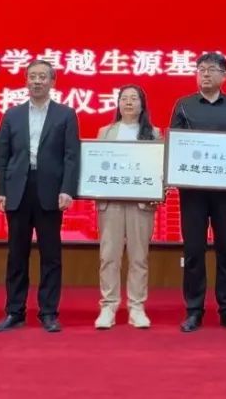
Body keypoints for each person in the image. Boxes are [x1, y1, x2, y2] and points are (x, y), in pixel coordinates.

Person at [0, 60, 80, 333]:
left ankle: (49, 312)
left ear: (53, 82)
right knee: (16, 255)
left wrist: (67, 189)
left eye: (43, 76)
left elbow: (71, 156)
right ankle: (14, 311)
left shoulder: (66, 114)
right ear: (26, 81)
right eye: (33, 76)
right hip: (18, 189)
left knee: (50, 255)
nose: (37, 81)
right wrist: (0, 190)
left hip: (50, 190)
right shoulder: (12, 114)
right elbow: (2, 156)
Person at [169, 51, 226, 333]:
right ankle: (194, 310)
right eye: (201, 69)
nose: (205, 73)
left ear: (224, 75)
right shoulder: (184, 105)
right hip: (193, 191)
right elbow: (176, 145)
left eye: (212, 69)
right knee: (193, 250)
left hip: (225, 191)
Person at [94, 85, 161, 329]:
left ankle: (136, 307)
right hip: (111, 203)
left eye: (134, 98)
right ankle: (108, 306)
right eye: (124, 98)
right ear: (118, 103)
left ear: (142, 105)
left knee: (138, 257)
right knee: (109, 256)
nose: (129, 102)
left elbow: (159, 169)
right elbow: (95, 165)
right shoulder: (105, 132)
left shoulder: (153, 133)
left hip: (140, 204)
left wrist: (157, 190)